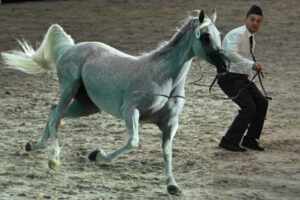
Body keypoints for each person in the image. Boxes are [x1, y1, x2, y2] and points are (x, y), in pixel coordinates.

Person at [218, 5, 268, 152]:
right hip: (229, 77)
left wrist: (250, 75)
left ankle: (250, 139)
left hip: (241, 78)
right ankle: (228, 141)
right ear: (245, 19)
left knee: (262, 103)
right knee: (248, 108)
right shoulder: (237, 34)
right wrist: (252, 64)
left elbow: (244, 62)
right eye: (252, 19)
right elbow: (231, 54)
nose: (255, 23)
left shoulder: (252, 39)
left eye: (258, 21)